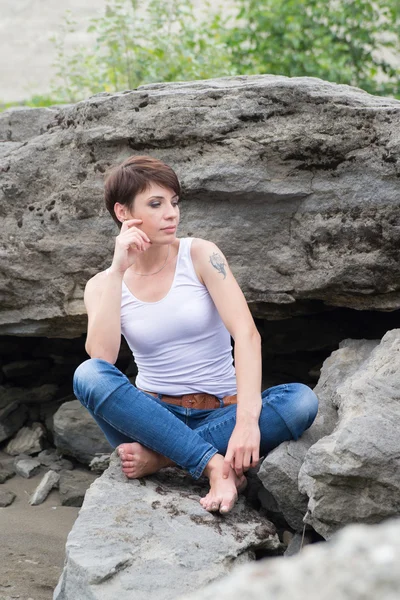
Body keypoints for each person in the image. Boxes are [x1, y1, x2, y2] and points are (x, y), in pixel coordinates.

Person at [73, 155, 318, 515]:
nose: (171, 213)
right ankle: (215, 465)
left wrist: (248, 423)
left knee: (300, 401)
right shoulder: (102, 284)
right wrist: (116, 269)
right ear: (123, 213)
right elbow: (103, 360)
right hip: (151, 418)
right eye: (156, 204)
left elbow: (247, 335)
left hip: (224, 412)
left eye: (174, 202)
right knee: (87, 375)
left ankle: (161, 459)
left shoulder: (200, 255)